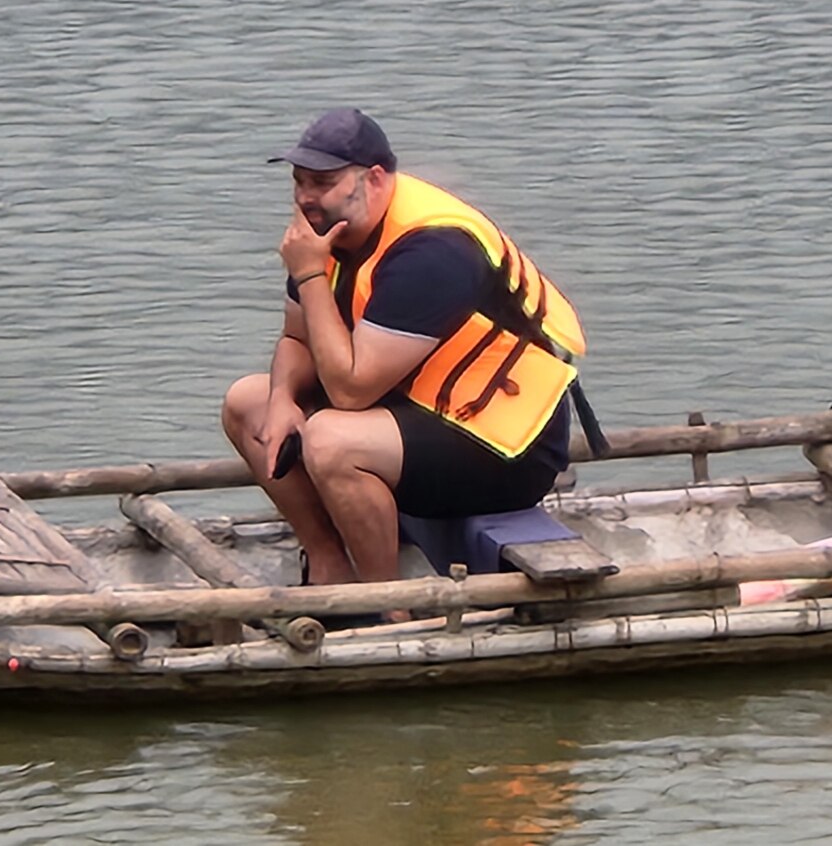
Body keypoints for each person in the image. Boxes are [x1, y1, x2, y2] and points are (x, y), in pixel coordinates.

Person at [220, 109, 594, 585]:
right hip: (413, 408)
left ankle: (386, 603)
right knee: (247, 402)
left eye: (322, 182)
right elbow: (297, 339)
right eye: (299, 182)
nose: (305, 198)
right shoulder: (327, 232)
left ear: (373, 179)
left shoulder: (432, 251)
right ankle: (330, 566)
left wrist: (310, 274)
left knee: (331, 440)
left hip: (502, 446)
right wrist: (280, 401)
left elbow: (352, 392)